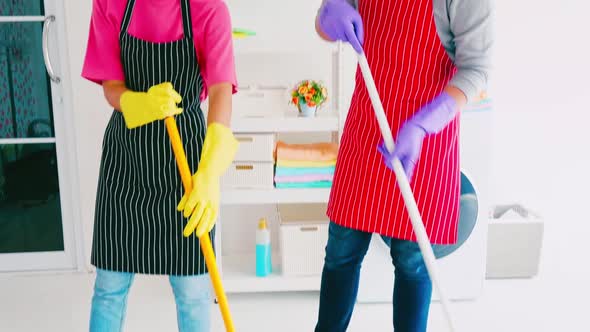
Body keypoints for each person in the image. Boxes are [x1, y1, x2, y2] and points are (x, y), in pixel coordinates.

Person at [314, 0, 493, 331]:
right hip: (367, 132)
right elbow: (325, 27)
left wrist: (425, 124)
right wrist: (329, 15)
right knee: (341, 253)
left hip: (426, 142)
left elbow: (477, 70)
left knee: (412, 262)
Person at [81, 0, 238, 330]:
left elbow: (222, 86)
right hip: (126, 159)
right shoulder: (110, 3)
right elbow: (111, 84)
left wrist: (210, 170)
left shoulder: (208, 8)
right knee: (109, 287)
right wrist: (136, 102)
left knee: (193, 290)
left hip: (186, 163)